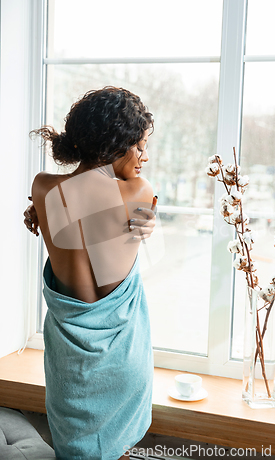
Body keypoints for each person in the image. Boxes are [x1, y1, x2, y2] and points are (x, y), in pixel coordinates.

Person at [24, 86, 157, 460]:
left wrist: (37, 211)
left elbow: (69, 206)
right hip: (122, 359)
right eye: (140, 145)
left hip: (69, 365)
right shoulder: (140, 192)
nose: (144, 156)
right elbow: (128, 224)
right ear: (116, 143)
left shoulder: (43, 187)